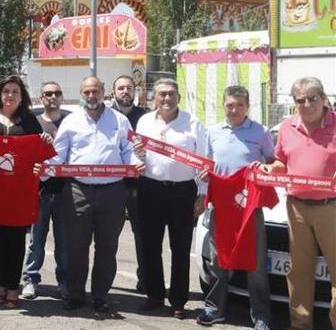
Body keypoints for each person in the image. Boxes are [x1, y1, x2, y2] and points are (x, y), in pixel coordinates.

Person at [51, 76, 141, 318]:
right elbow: (58, 155)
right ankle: (75, 294)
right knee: (76, 246)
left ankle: (100, 296)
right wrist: (44, 168)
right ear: (82, 94)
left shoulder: (120, 120)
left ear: (104, 93)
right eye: (87, 92)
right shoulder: (70, 122)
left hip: (113, 191)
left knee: (107, 246)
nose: (92, 96)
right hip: (78, 190)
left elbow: (129, 150)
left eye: (96, 91)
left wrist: (136, 163)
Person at [258, 76, 335, 330]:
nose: (307, 104)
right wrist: (270, 170)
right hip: (296, 206)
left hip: (331, 207)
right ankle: (300, 324)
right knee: (299, 271)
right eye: (300, 100)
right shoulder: (287, 127)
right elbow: (281, 162)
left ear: (324, 99)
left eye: (313, 98)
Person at [196, 85, 273, 330]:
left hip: (250, 208)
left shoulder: (260, 132)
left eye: (240, 105)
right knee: (218, 261)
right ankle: (214, 309)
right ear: (223, 105)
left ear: (248, 106)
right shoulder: (213, 132)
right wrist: (205, 176)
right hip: (221, 207)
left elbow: (272, 163)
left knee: (256, 264)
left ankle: (260, 316)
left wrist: (265, 169)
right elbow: (206, 165)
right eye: (230, 104)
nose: (235, 109)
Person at [134, 78, 206, 320]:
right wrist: (136, 160)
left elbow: (204, 160)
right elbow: (135, 152)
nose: (166, 98)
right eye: (162, 94)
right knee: (150, 245)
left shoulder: (194, 123)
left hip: (182, 192)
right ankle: (154, 295)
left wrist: (202, 193)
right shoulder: (144, 121)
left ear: (178, 97)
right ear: (154, 97)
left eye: (171, 94)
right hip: (150, 189)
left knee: (180, 248)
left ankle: (178, 301)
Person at [0, 76, 44, 308]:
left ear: (21, 96)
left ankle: (13, 286)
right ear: (0, 95)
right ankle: (1, 283)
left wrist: (44, 141)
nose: (10, 95)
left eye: (15, 91)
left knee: (16, 239)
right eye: (6, 91)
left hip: (20, 193)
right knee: (0, 239)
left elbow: (41, 153)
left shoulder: (30, 122)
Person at [22, 81, 69, 300]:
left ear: (62, 97)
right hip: (38, 192)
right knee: (36, 241)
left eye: (56, 93)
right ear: (41, 97)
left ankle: (64, 281)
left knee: (64, 241)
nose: (52, 96)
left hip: (65, 191)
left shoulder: (71, 123)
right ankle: (30, 279)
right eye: (48, 93)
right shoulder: (33, 123)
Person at [110, 74, 147, 292]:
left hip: (138, 186)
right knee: (108, 235)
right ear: (113, 92)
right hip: (113, 185)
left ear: (135, 91)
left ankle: (145, 278)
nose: (125, 91)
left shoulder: (145, 118)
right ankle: (106, 280)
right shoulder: (105, 115)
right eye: (121, 88)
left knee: (142, 235)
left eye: (129, 88)